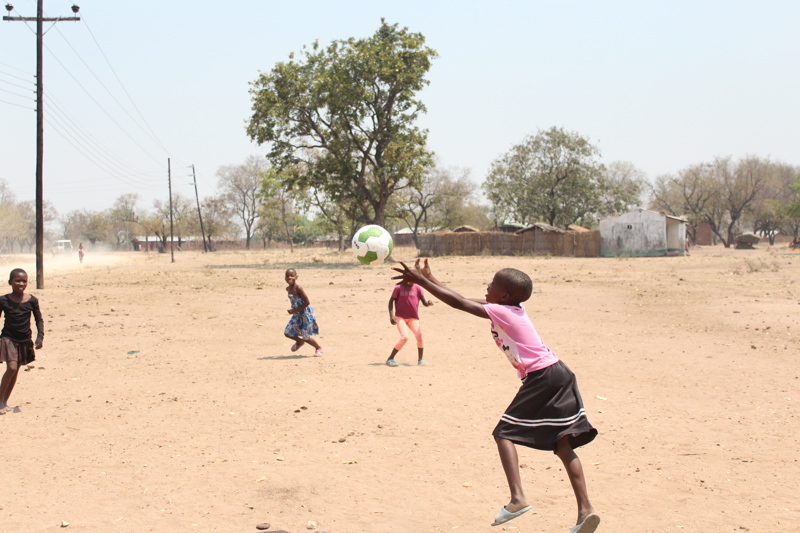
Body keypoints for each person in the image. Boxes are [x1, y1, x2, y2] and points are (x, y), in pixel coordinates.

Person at [392, 259, 599, 533]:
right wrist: (432, 279)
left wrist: (421, 282)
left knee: (504, 433)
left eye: (492, 285)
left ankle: (518, 499)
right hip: (559, 373)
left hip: (544, 376)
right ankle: (585, 511)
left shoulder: (504, 312)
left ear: (505, 295)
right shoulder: (509, 308)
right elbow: (461, 299)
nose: (487, 287)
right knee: (562, 446)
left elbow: (458, 304)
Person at [0, 268, 44, 415]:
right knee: (11, 368)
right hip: (8, 338)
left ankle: (4, 402)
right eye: (17, 281)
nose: (21, 283)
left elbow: (39, 319)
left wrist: (40, 337)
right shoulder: (3, 300)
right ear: (10, 282)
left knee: (16, 370)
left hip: (24, 340)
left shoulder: (32, 300)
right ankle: (0, 402)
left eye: (24, 281)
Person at [386, 278, 433, 367]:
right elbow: (391, 301)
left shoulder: (418, 288)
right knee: (405, 337)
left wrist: (428, 303)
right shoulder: (398, 288)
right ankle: (390, 359)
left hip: (413, 318)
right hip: (401, 317)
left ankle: (420, 360)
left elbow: (424, 303)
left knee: (419, 335)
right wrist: (391, 315)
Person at [284, 268, 323, 356]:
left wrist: (295, 310)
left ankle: (318, 348)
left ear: (296, 277)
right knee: (288, 332)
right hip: (297, 314)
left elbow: (307, 302)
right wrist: (293, 310)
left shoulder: (298, 288)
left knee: (306, 336)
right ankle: (299, 341)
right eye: (287, 276)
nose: (289, 278)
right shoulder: (288, 289)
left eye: (292, 276)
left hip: (305, 313)